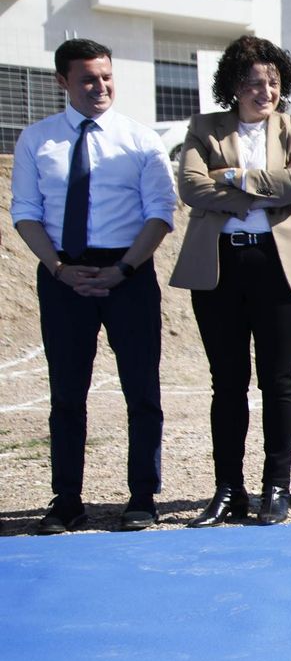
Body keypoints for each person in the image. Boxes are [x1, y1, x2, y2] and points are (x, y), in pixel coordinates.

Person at [170, 35, 291, 527]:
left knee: (279, 382)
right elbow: (190, 188)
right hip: (220, 267)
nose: (264, 91)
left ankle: (276, 487)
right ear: (233, 85)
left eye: (273, 82)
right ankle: (228, 491)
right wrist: (264, 189)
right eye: (252, 82)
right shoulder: (204, 127)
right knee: (227, 384)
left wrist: (234, 179)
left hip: (282, 267)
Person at [10, 38, 175, 534]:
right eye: (87, 78)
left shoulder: (140, 140)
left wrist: (123, 268)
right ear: (63, 82)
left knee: (142, 391)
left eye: (105, 76)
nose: (99, 87)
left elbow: (160, 213)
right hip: (64, 276)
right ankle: (66, 500)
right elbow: (25, 213)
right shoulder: (36, 140)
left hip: (128, 275)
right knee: (66, 394)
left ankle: (142, 497)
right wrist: (60, 268)